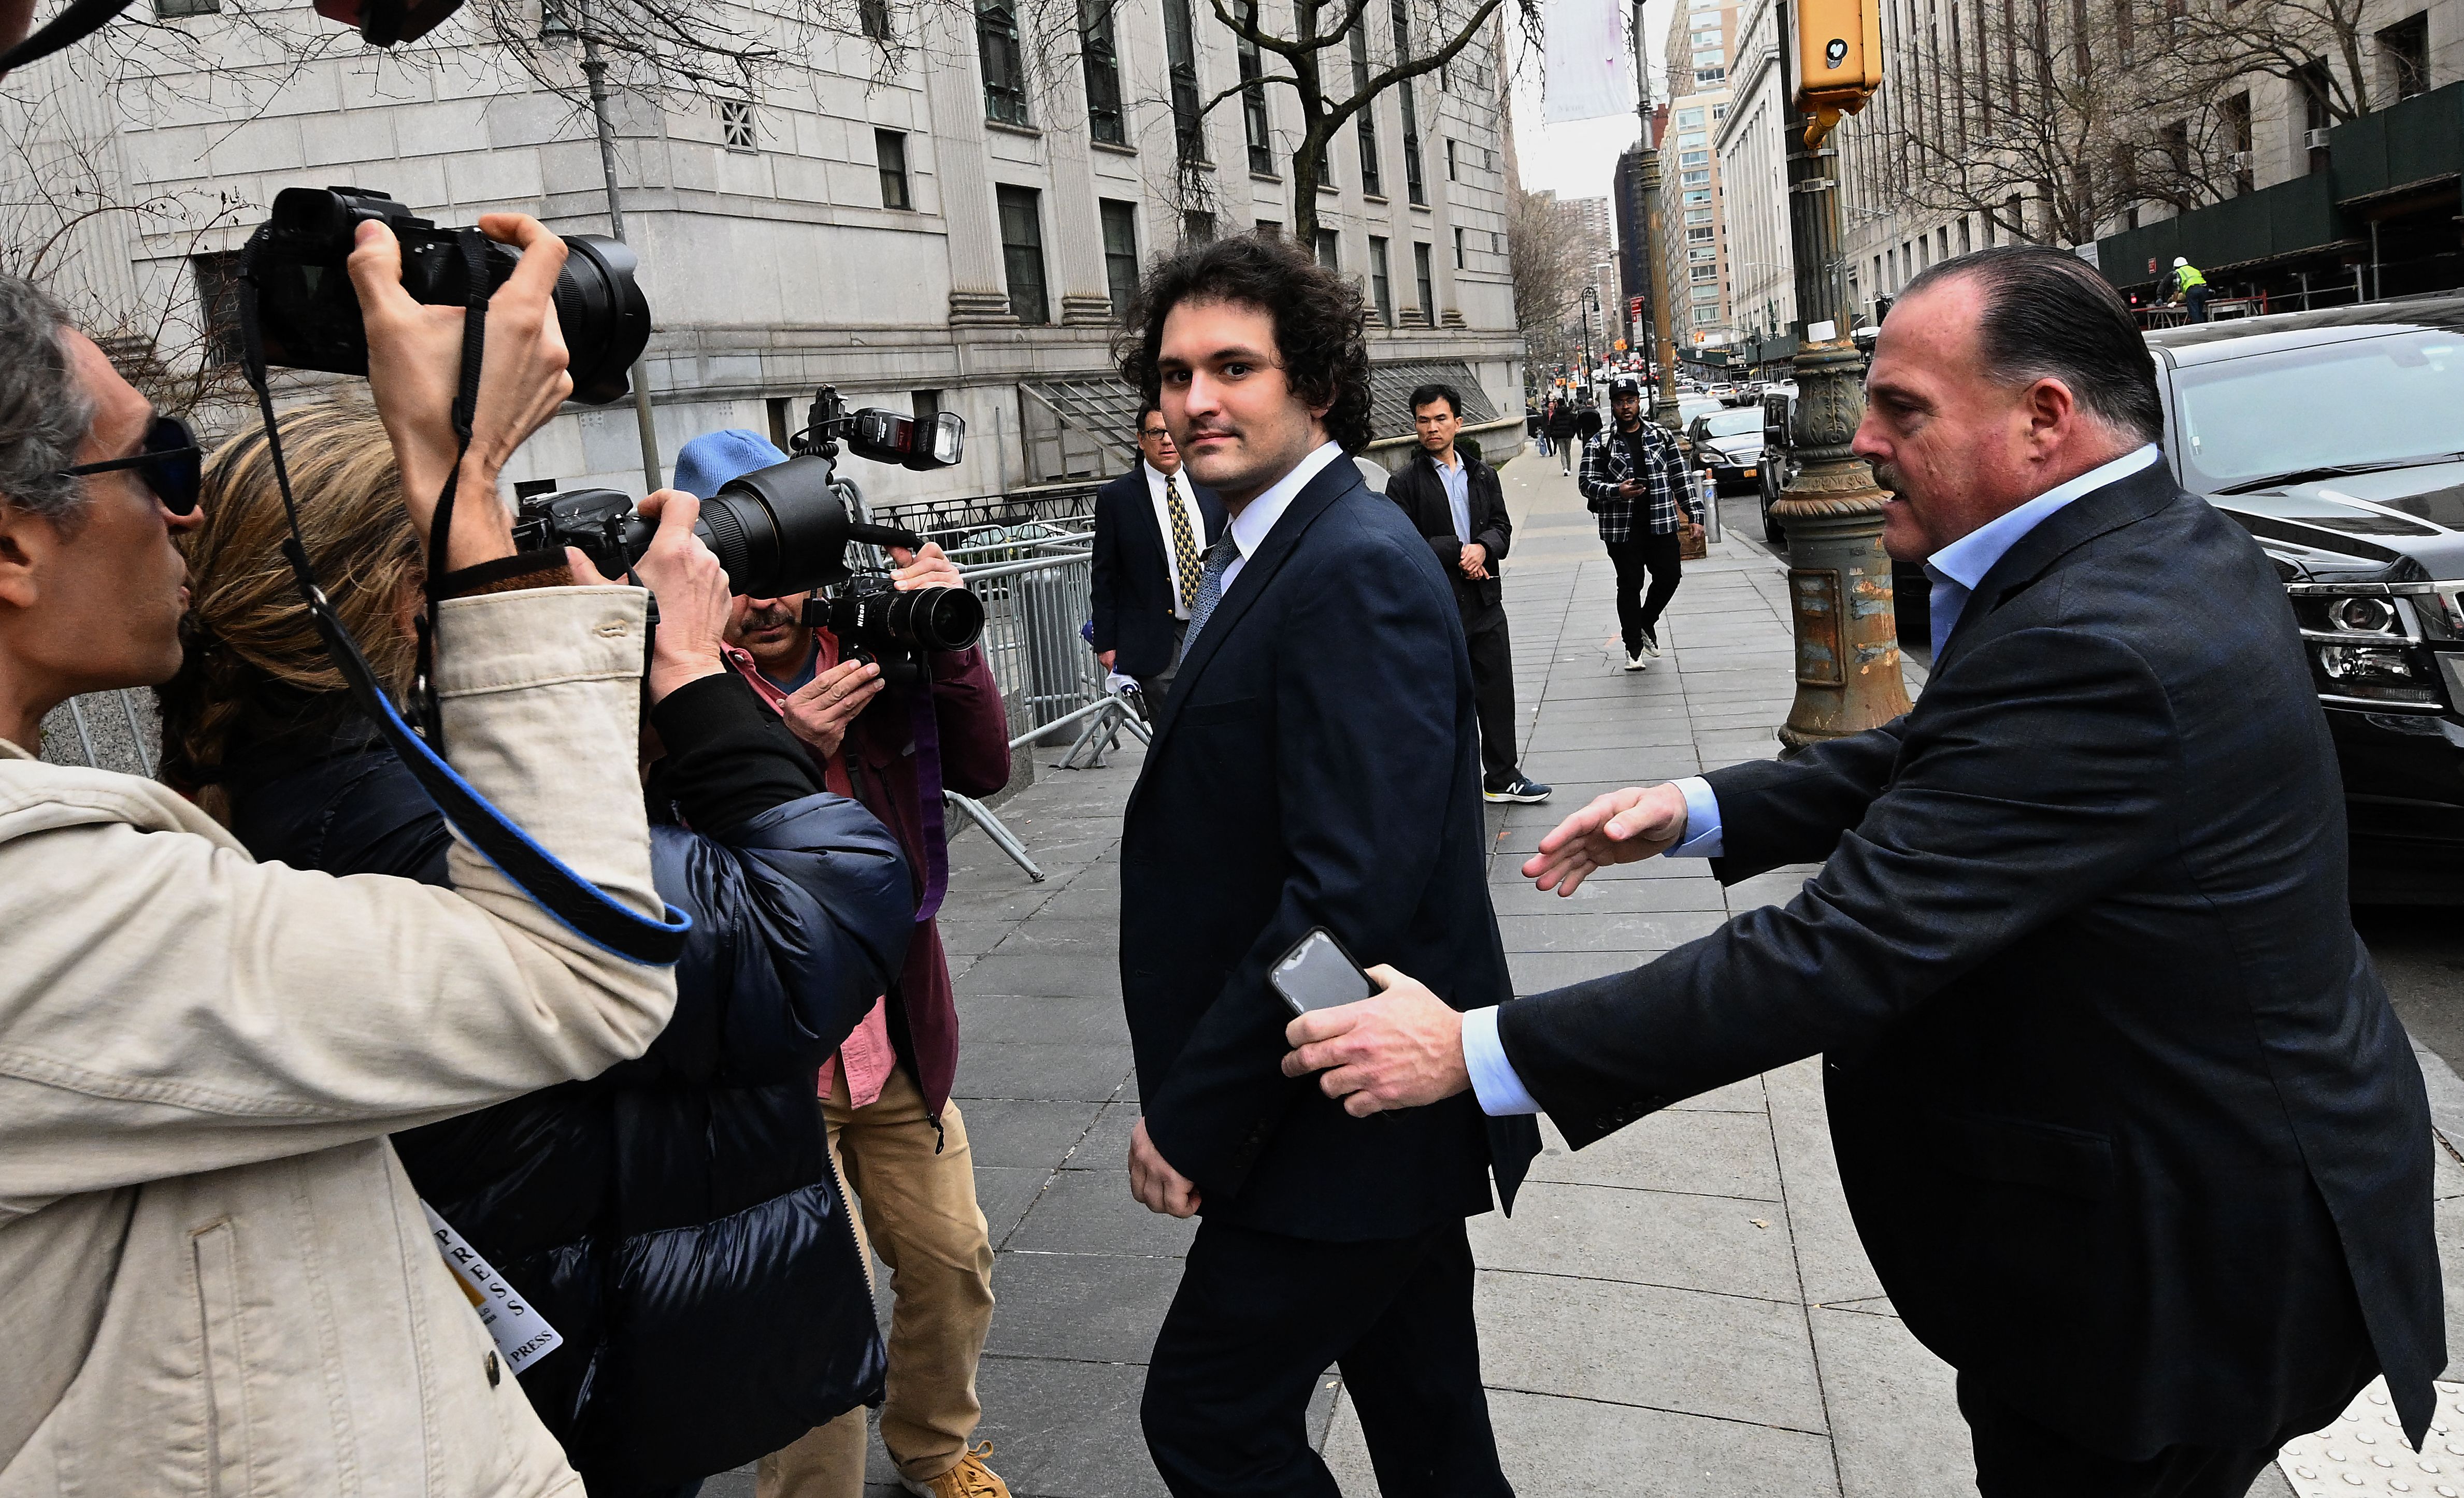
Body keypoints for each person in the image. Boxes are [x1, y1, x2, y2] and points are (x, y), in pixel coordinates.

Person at [1282, 246, 2443, 1497]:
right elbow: (1944, 751)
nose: (1858, 438)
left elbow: (1831, 951)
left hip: (2167, 1275)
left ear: (2042, 419)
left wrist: (1471, 1054)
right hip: (2184, 1217)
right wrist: (1698, 808)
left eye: (1902, 407)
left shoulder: (2103, 639)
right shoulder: (2153, 544)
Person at [0, 224, 681, 1496]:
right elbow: (587, 972)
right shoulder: (29, 905)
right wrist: (464, 482)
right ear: (9, 547)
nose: (183, 513)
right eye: (159, 460)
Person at [155, 399, 918, 1498]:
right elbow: (813, 930)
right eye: (477, 555)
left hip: (543, 1305)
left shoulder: (296, 773)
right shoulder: (397, 811)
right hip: (576, 1350)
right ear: (402, 598)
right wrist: (693, 680)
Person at [1111, 231, 1540, 1498]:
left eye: (1231, 367)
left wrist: (1203, 1110)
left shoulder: (1347, 565)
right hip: (1362, 1126)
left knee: (1207, 1419)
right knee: (1431, 1439)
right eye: (1176, 372)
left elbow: (1346, 894)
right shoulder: (1280, 548)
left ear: (1314, 384)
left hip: (1333, 1125)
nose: (1194, 400)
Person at [684, 432, 1018, 1498]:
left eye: (785, 576)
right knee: (811, 1303)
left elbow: (984, 767)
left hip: (895, 1037)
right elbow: (661, 855)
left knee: (951, 1260)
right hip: (771, 1060)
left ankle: (932, 1446)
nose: (767, 603)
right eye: (739, 578)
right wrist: (773, 743)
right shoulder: (673, 691)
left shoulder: (876, 650)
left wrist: (953, 643)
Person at [1384, 382, 1549, 804]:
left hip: (1485, 601)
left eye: (1440, 419)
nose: (1432, 429)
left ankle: (1502, 776)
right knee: (1442, 698)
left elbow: (1502, 528)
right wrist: (1458, 551)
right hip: (1438, 606)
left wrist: (1484, 548)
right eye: (1423, 421)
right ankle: (1446, 782)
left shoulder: (1482, 474)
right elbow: (1404, 543)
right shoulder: (1404, 484)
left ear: (1458, 422)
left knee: (1496, 690)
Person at [1090, 399, 1226, 696]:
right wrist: (1106, 643)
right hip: (1155, 642)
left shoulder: (1212, 484)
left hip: (1215, 630)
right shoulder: (1118, 498)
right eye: (1156, 433)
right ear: (1140, 439)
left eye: (1172, 431)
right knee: (1170, 735)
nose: (1166, 441)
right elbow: (1105, 576)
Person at [1579, 376, 1698, 670]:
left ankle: (1645, 622)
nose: (1626, 407)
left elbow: (1680, 478)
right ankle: (1633, 649)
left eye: (1630, 401)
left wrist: (1695, 515)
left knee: (1670, 576)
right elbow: (1586, 483)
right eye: (1620, 402)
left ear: (1639, 402)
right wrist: (1616, 492)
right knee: (1630, 585)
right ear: (1613, 406)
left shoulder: (1660, 435)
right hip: (1621, 530)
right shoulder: (1600, 442)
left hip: (1660, 522)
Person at [2167, 256, 2212, 323]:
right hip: (2204, 289)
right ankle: (2203, 325)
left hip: (2192, 290)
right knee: (2200, 309)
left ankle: (2198, 327)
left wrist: (2174, 302)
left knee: (2194, 311)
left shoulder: (2178, 272)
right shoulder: (2193, 269)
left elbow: (2177, 288)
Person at [1544, 395, 1578, 474]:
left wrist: (1553, 434)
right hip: (1568, 434)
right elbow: (1574, 424)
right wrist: (1573, 433)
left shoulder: (1555, 414)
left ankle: (1565, 468)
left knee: (1562, 453)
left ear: (1558, 404)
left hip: (1559, 435)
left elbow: (1552, 425)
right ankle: (1569, 469)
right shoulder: (1569, 413)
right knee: (1568, 452)